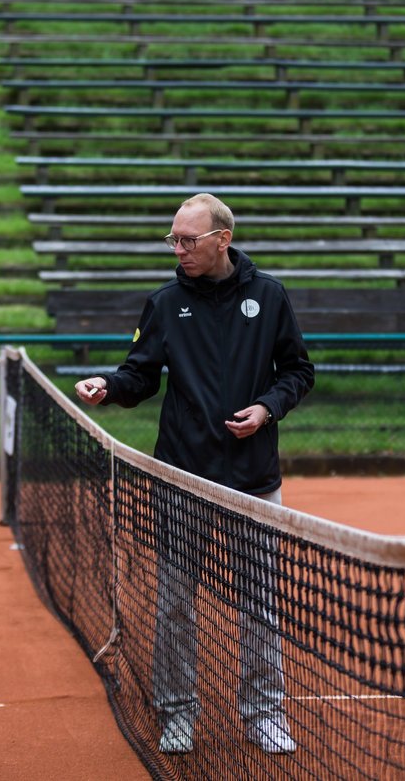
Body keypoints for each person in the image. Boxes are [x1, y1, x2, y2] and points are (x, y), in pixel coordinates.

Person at [74, 193, 314, 756]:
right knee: (176, 601)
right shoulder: (164, 303)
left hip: (254, 480)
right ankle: (178, 711)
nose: (178, 250)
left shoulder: (270, 297)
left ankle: (265, 711)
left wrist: (268, 408)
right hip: (182, 478)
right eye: (173, 240)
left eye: (188, 240)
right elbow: (140, 374)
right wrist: (109, 387)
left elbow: (299, 370)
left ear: (222, 239)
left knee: (260, 602)